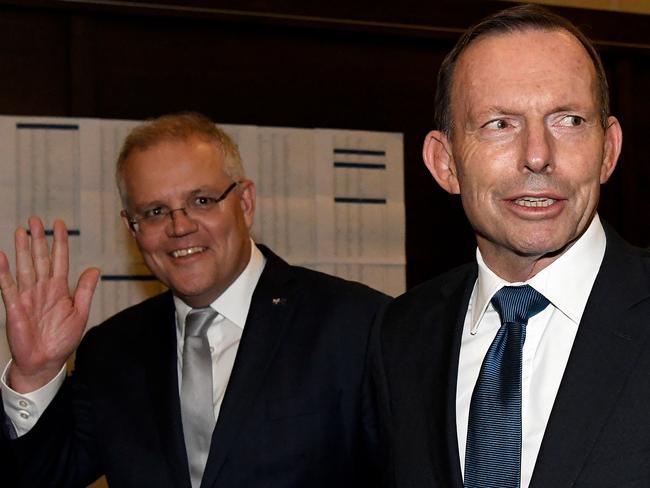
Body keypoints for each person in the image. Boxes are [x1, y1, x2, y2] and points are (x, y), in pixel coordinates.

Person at [0, 112, 389, 487]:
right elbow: (45, 476)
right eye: (154, 211)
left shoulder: (358, 326)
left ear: (246, 202)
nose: (180, 226)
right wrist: (34, 374)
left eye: (202, 201)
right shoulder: (112, 351)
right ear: (131, 228)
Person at [370, 4, 650, 488]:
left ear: (608, 150)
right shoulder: (401, 334)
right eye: (500, 124)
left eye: (568, 120)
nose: (538, 155)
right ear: (445, 163)